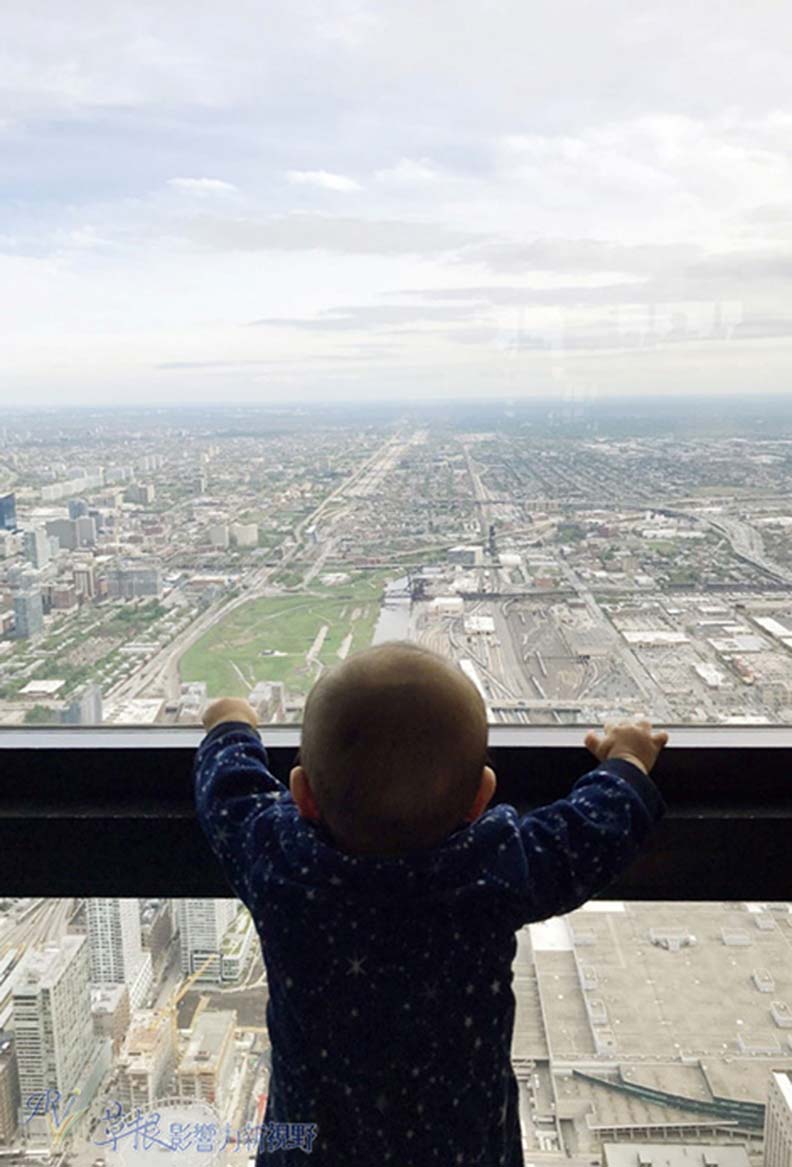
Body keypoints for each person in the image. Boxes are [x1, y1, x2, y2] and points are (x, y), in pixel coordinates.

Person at [193, 641, 668, 1166]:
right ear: (481, 797)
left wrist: (230, 727)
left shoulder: (283, 864)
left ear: (302, 794)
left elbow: (230, 798)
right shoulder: (492, 871)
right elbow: (589, 833)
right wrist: (626, 761)